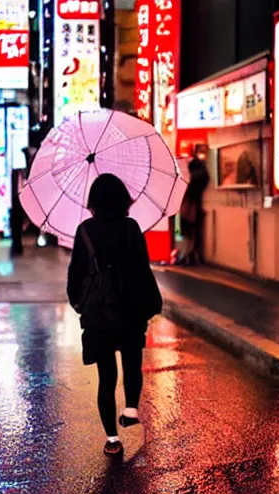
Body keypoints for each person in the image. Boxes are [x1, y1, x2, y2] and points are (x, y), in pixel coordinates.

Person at [67, 174, 163, 457]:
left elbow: (76, 274)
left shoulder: (85, 230)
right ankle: (131, 408)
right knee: (132, 363)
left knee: (106, 376)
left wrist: (81, 305)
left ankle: (112, 439)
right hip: (130, 307)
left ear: (93, 201)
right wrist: (149, 305)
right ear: (123, 199)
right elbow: (142, 270)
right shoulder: (132, 228)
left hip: (99, 313)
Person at [179, 156, 210, 264]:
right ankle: (192, 255)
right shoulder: (203, 176)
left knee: (186, 233)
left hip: (189, 208)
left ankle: (186, 255)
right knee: (194, 234)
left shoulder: (190, 178)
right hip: (196, 209)